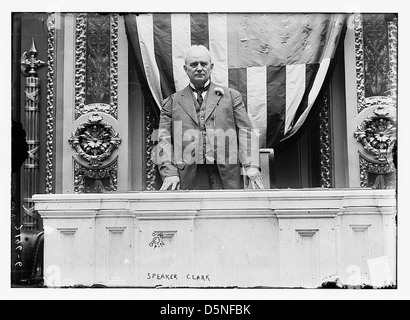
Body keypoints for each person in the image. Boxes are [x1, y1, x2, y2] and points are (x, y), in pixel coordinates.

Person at [157, 45, 263, 190]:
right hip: (187, 175)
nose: (199, 68)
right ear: (185, 69)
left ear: (211, 67)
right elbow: (164, 140)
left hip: (226, 174)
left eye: (204, 64)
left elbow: (246, 132)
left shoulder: (231, 97)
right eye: (194, 64)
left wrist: (251, 166)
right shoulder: (172, 102)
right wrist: (170, 172)